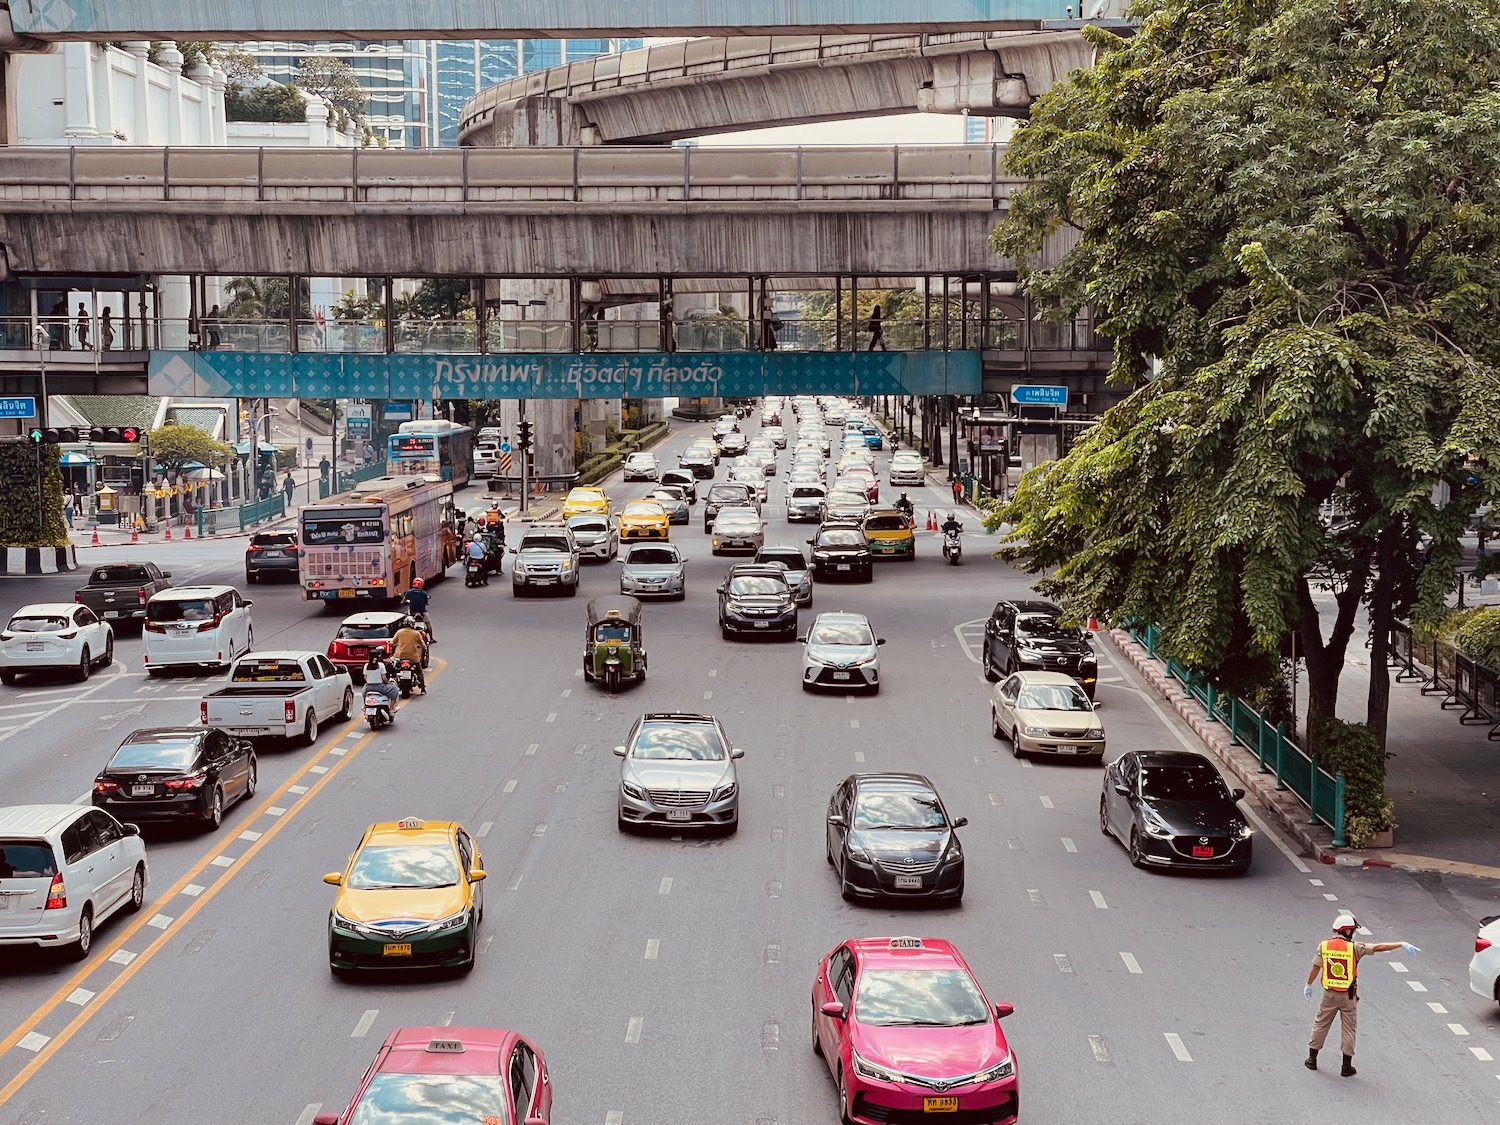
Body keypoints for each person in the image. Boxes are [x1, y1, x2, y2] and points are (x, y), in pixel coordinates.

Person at [1304, 914, 1419, 1077]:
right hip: (1348, 996)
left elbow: (1315, 967)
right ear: (1348, 931)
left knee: (1321, 1024)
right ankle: (1346, 1066)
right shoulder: (1354, 948)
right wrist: (1400, 944)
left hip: (1329, 995)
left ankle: (1312, 1059)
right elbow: (1378, 947)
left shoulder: (1324, 946)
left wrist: (1308, 985)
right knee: (1349, 1029)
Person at [389, 621, 428, 694]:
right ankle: (422, 688)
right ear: (413, 625)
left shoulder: (399, 632)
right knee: (419, 671)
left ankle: (393, 681)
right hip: (413, 657)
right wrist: (424, 647)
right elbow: (422, 644)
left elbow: (392, 642)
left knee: (393, 669)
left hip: (399, 656)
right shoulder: (416, 633)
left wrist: (395, 644)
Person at [400, 577, 435, 642]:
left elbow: (403, 601)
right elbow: (426, 602)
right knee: (428, 623)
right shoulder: (424, 593)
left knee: (406, 621)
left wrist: (403, 602)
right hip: (422, 612)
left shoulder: (409, 592)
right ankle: (431, 638)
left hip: (412, 612)